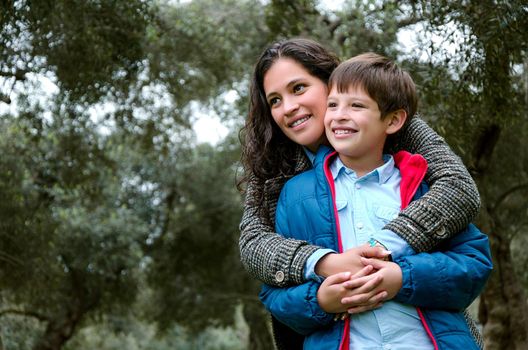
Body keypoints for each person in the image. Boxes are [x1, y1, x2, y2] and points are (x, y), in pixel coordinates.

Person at [238, 38, 482, 347]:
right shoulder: (274, 167)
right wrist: (325, 263)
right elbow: (253, 242)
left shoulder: (395, 125)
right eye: (274, 100)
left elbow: (459, 189)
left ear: (332, 82)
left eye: (298, 88)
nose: (288, 108)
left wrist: (381, 250)